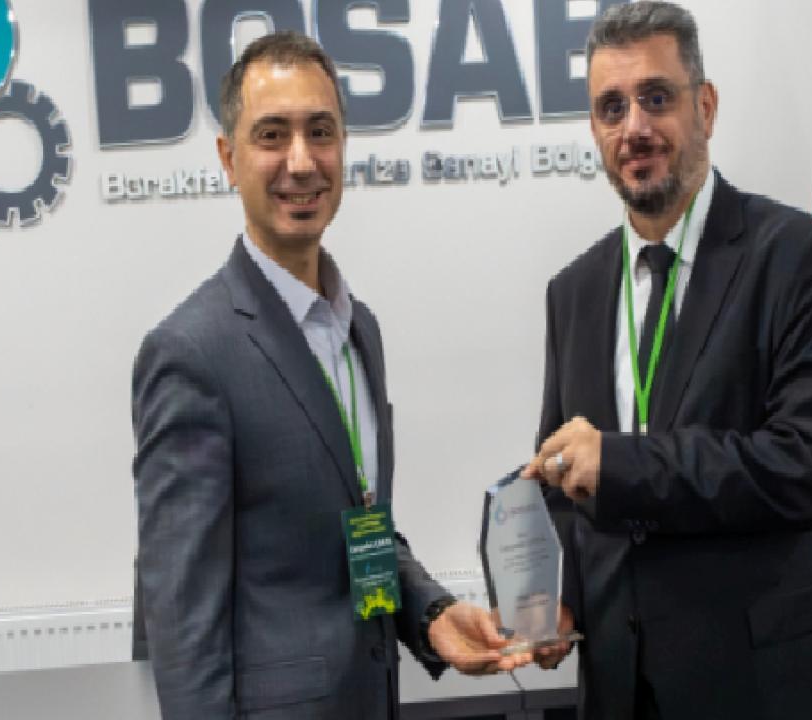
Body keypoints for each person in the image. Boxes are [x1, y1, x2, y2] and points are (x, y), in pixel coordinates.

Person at [132, 31, 527, 720]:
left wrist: (430, 615)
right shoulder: (191, 354)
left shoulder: (357, 328)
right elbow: (182, 624)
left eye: (321, 132)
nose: (301, 161)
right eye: (272, 135)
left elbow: (358, 527)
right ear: (227, 158)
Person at [522, 3, 812, 718]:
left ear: (705, 107)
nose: (634, 127)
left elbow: (810, 466)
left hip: (763, 688)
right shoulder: (573, 292)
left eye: (656, 98)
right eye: (611, 108)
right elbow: (563, 481)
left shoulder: (796, 255)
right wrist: (559, 594)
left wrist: (620, 463)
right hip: (621, 689)